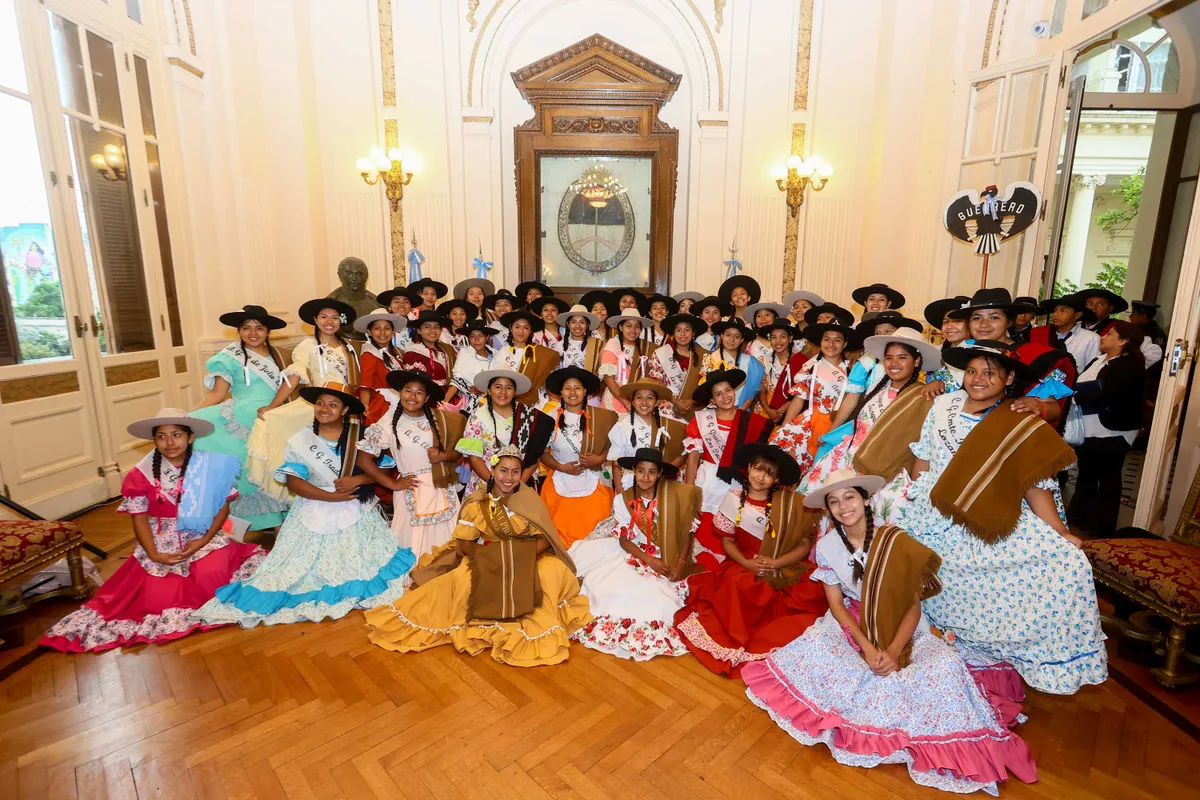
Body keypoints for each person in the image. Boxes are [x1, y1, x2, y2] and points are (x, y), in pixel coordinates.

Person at [742, 470, 1036, 795]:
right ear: (828, 509)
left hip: (899, 624)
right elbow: (837, 606)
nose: (843, 507)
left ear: (865, 499)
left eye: (850, 497)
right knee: (824, 659)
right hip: (850, 624)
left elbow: (912, 607)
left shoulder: (895, 540)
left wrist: (894, 651)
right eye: (834, 502)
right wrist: (867, 648)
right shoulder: (827, 547)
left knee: (943, 668)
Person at [900, 341, 1108, 694]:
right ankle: (949, 635)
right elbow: (924, 457)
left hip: (993, 507)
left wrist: (1060, 531)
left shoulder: (1016, 417)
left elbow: (1033, 484)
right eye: (972, 371)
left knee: (1067, 562)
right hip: (935, 508)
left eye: (990, 373)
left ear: (1010, 378)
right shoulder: (943, 405)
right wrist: (911, 499)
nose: (978, 379)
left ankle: (1025, 654)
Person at [41, 411, 266, 652]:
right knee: (159, 598)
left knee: (212, 576)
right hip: (161, 542)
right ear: (154, 440)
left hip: (203, 536)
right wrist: (154, 554)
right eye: (162, 437)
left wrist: (202, 542)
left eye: (177, 435)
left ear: (190, 438)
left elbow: (222, 507)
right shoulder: (140, 475)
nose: (170, 443)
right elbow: (139, 521)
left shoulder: (210, 465)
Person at [195, 384, 414, 627]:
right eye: (321, 403)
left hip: (355, 504)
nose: (325, 409)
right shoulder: (302, 439)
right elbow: (293, 482)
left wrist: (358, 479)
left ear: (344, 411)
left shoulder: (360, 434)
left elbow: (382, 468)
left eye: (333, 405)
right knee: (292, 568)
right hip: (314, 503)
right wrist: (329, 497)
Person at [364, 445, 592, 667]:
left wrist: (516, 557)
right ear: (492, 471)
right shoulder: (477, 501)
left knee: (550, 574)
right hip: (485, 557)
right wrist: (494, 558)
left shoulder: (529, 498)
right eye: (503, 470)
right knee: (463, 581)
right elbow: (464, 544)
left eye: (515, 472)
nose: (509, 478)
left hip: (525, 557)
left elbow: (544, 538)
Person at [674, 444, 828, 676]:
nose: (761, 477)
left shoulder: (787, 504)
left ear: (776, 479)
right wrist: (746, 564)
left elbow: (804, 544)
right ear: (748, 468)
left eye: (769, 473)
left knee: (814, 588)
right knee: (744, 586)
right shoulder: (734, 498)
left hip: (782, 563)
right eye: (758, 469)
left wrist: (778, 563)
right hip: (743, 562)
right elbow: (727, 542)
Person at [571, 448, 700, 660]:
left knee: (660, 603)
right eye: (641, 471)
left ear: (659, 474)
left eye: (651, 472)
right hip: (635, 552)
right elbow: (624, 539)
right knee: (613, 592)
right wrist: (649, 561)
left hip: (666, 554)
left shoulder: (675, 498)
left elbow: (686, 535)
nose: (646, 477)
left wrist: (679, 563)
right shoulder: (623, 500)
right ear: (633, 471)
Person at [798, 327, 939, 521]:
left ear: (916, 361)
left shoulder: (922, 396)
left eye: (902, 358)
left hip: (887, 469)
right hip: (850, 458)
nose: (894, 363)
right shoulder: (878, 389)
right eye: (889, 358)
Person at [246, 298, 359, 502]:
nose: (329, 321)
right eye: (323, 316)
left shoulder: (349, 347)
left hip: (345, 407)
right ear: (315, 319)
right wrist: (273, 406)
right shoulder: (307, 346)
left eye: (334, 317)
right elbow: (294, 377)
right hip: (319, 406)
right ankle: (313, 497)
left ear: (341, 320)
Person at [191, 305, 290, 530]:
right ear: (239, 330)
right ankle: (247, 527)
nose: (252, 333)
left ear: (268, 332)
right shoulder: (229, 357)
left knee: (272, 470)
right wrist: (190, 416)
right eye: (246, 328)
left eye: (259, 328)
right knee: (248, 472)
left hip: (273, 417)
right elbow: (217, 393)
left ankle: (279, 524)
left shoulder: (280, 356)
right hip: (241, 419)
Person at [359, 371, 465, 557]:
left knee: (448, 542)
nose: (412, 397)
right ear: (400, 392)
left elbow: (460, 452)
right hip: (410, 488)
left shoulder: (441, 419)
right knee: (412, 546)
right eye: (408, 390)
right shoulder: (389, 422)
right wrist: (392, 484)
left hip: (441, 488)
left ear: (427, 397)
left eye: (419, 393)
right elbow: (363, 458)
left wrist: (442, 456)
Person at [683, 367, 775, 570]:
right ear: (712, 399)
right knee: (704, 530)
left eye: (728, 390)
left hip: (738, 484)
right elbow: (693, 456)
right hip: (707, 482)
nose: (725, 396)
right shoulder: (700, 421)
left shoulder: (753, 422)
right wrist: (689, 489)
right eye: (718, 393)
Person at [1067, 321, 1147, 537]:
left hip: (1113, 429)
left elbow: (1107, 395)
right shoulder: (1099, 359)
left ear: (1124, 340)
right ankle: (1076, 521)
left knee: (1108, 478)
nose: (1103, 336)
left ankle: (1100, 529)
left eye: (1109, 333)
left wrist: (1073, 395)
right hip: (1089, 427)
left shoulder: (1129, 365)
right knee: (1087, 475)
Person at [539, 367, 618, 547]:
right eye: (568, 388)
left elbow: (614, 446)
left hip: (594, 479)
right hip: (561, 480)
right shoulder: (549, 418)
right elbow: (542, 453)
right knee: (560, 534)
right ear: (561, 392)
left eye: (577, 388)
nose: (572, 392)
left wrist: (599, 459)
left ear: (585, 392)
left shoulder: (600, 418)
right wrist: (562, 467)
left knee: (595, 533)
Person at [769, 318, 859, 476]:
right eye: (827, 339)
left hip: (839, 426)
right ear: (820, 342)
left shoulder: (852, 369)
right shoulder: (810, 367)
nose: (831, 344)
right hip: (810, 422)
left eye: (837, 340)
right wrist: (785, 426)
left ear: (845, 344)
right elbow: (798, 401)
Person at [456, 369, 553, 496]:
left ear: (514, 392)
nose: (503, 392)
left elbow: (535, 457)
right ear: (489, 391)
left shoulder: (530, 417)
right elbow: (475, 460)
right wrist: (494, 485)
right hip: (486, 485)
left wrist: (516, 486)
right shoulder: (476, 419)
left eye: (508, 387)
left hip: (520, 486)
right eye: (498, 387)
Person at [608, 376, 687, 490]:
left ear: (656, 403)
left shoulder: (669, 425)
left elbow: (683, 451)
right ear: (633, 402)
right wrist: (619, 490)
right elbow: (616, 462)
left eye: (649, 398)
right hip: (631, 483)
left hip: (661, 484)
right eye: (639, 397)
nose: (644, 402)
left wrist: (663, 472)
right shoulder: (622, 427)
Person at [647, 313, 709, 422]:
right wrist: (675, 402)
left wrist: (693, 402)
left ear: (693, 332)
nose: (683, 334)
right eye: (678, 330)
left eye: (687, 330)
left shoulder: (705, 356)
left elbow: (707, 385)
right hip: (666, 409)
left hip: (694, 409)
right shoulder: (660, 354)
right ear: (673, 333)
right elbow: (657, 381)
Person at [493, 309, 561, 406]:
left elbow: (549, 384)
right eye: (517, 327)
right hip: (504, 402)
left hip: (535, 405)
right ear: (511, 329)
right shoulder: (502, 353)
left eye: (525, 328)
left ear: (530, 331)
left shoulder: (541, 352)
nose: (521, 331)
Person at [354, 307, 408, 425]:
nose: (382, 333)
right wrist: (365, 406)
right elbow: (365, 384)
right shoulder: (369, 353)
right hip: (382, 404)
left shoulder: (395, 353)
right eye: (377, 328)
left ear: (393, 331)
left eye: (387, 328)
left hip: (399, 401)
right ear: (369, 331)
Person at [701, 317, 765, 411]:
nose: (732, 339)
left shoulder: (752, 363)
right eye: (728, 335)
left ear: (742, 340)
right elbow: (707, 391)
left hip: (742, 411)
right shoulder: (710, 359)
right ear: (722, 335)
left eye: (737, 336)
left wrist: (739, 412)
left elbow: (751, 393)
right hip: (715, 412)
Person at [600, 308, 655, 412]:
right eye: (628, 326)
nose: (633, 331)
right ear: (621, 327)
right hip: (615, 399)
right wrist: (625, 402)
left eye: (637, 326)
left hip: (638, 402)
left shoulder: (645, 347)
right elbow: (608, 379)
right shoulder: (613, 344)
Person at [402, 309, 459, 409]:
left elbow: (456, 376)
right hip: (423, 400)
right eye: (427, 327)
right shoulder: (413, 351)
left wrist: (445, 400)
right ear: (419, 330)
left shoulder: (447, 350)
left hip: (447, 398)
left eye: (436, 327)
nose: (433, 331)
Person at [1031, 294, 1100, 372]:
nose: (1055, 314)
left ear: (1077, 315)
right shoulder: (1041, 334)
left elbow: (1092, 370)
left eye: (1063, 310)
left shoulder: (1091, 339)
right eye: (1055, 310)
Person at [449, 318, 494, 417]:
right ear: (468, 338)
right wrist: (444, 402)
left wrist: (485, 390)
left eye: (480, 336)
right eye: (472, 336)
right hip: (468, 403)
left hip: (494, 402)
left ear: (486, 337)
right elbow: (457, 380)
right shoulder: (465, 354)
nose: (476, 340)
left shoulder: (497, 355)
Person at [756, 320, 798, 421]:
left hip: (791, 410)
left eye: (782, 337)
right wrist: (768, 410)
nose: (778, 341)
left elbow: (800, 393)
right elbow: (762, 388)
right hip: (765, 409)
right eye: (773, 337)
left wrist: (781, 411)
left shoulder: (799, 361)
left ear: (790, 338)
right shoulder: (763, 360)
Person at [554, 303, 605, 375]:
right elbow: (555, 371)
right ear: (568, 324)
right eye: (573, 322)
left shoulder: (598, 345)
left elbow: (603, 370)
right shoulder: (559, 345)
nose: (577, 326)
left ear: (587, 325)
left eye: (582, 322)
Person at [743, 301, 788, 367]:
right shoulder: (749, 343)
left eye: (767, 315)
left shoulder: (785, 341)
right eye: (759, 316)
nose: (763, 318)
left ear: (775, 318)